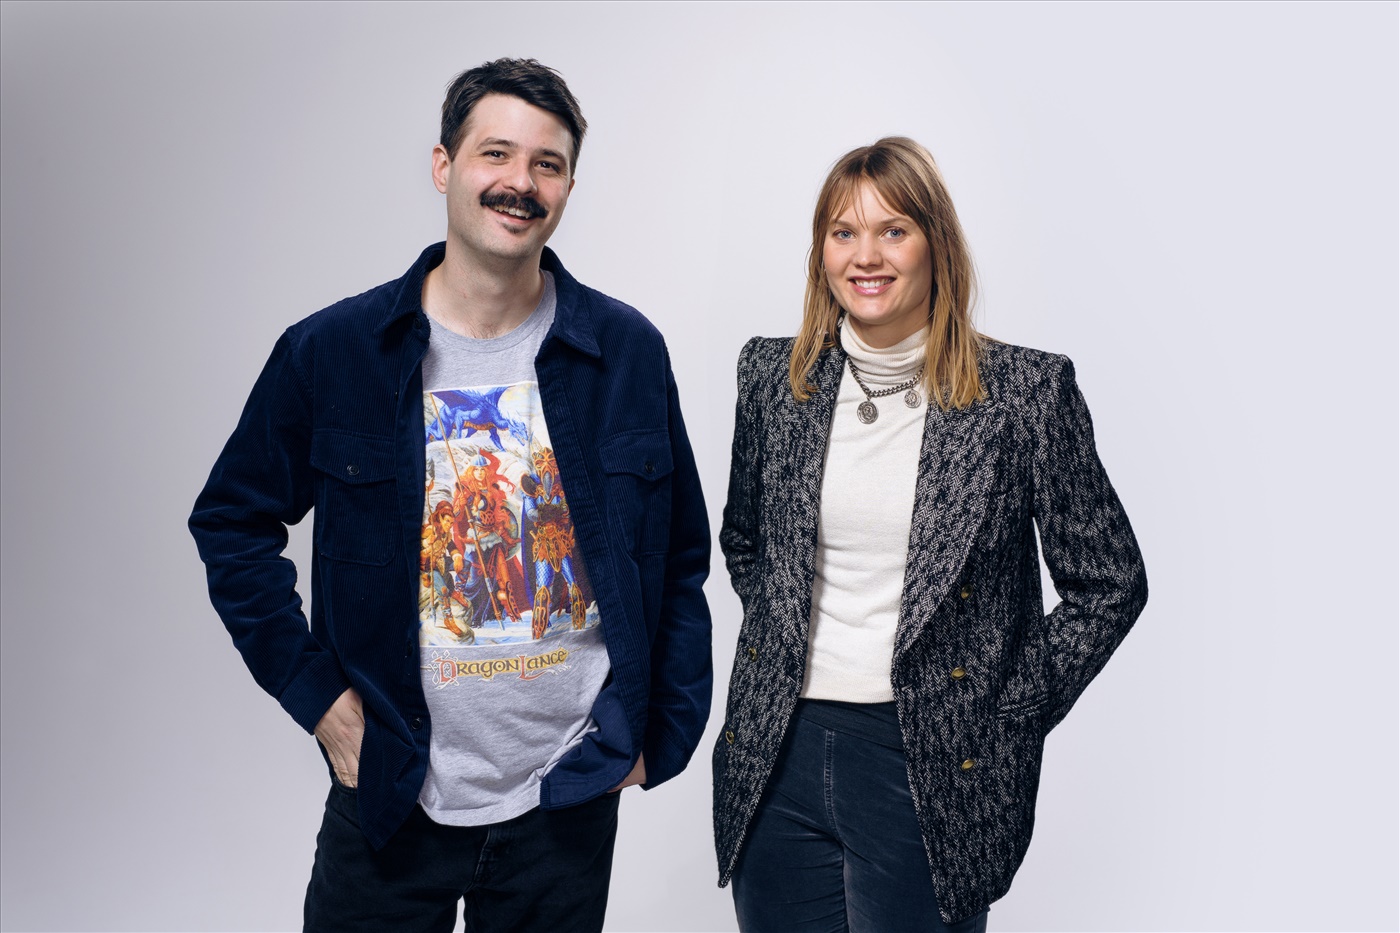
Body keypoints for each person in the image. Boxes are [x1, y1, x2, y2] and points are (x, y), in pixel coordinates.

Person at [189, 58, 712, 933]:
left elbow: (682, 558)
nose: (520, 182)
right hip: (392, 789)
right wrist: (320, 700)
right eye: (495, 153)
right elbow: (232, 522)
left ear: (569, 185)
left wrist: (660, 733)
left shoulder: (627, 352)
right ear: (444, 166)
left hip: (565, 799)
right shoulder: (334, 351)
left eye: (547, 164)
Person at [712, 137, 1147, 932]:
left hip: (929, 762)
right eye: (844, 232)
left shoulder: (1023, 393)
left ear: (935, 243)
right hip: (778, 752)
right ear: (820, 251)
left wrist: (1007, 703)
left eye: (894, 230)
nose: (866, 256)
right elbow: (747, 541)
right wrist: (791, 638)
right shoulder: (774, 377)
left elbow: (1109, 581)